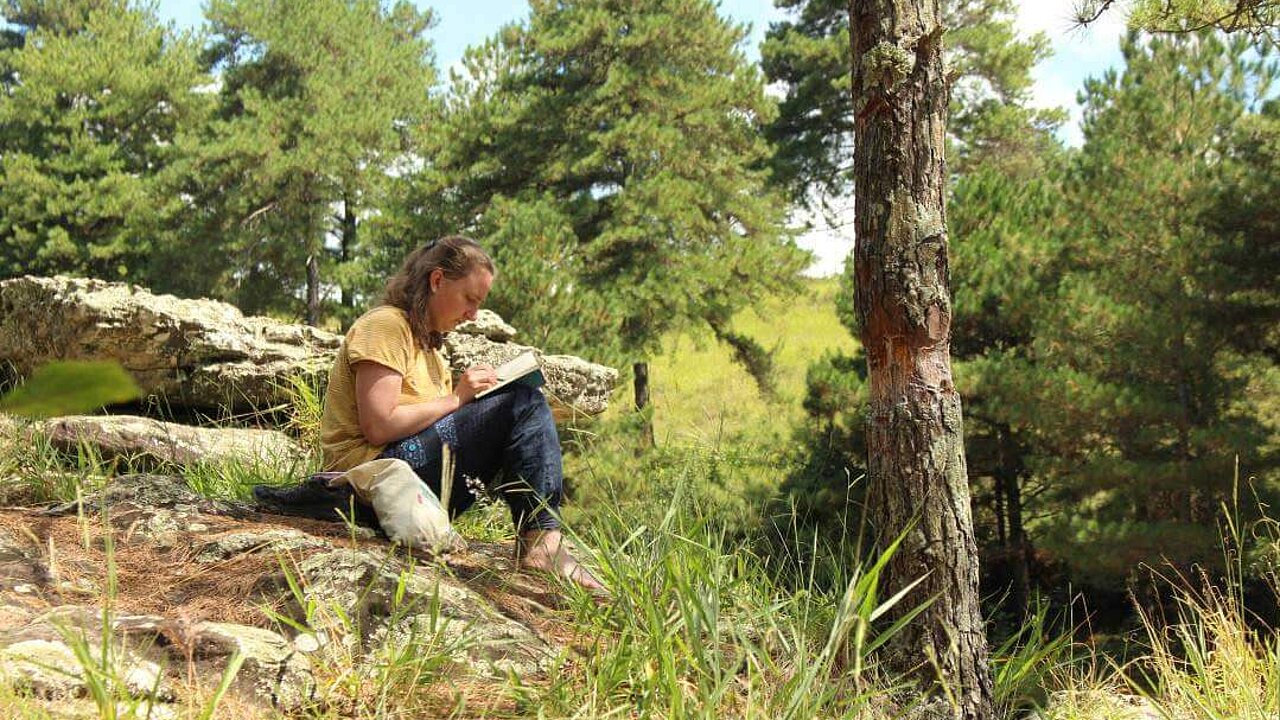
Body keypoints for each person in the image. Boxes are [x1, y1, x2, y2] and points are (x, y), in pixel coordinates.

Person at [318, 235, 602, 590]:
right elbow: (378, 425)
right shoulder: (386, 325)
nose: (473, 315)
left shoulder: (434, 354)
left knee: (523, 402)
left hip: (410, 489)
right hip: (368, 479)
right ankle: (542, 544)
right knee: (521, 402)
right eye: (470, 299)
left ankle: (540, 538)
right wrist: (458, 399)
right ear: (437, 281)